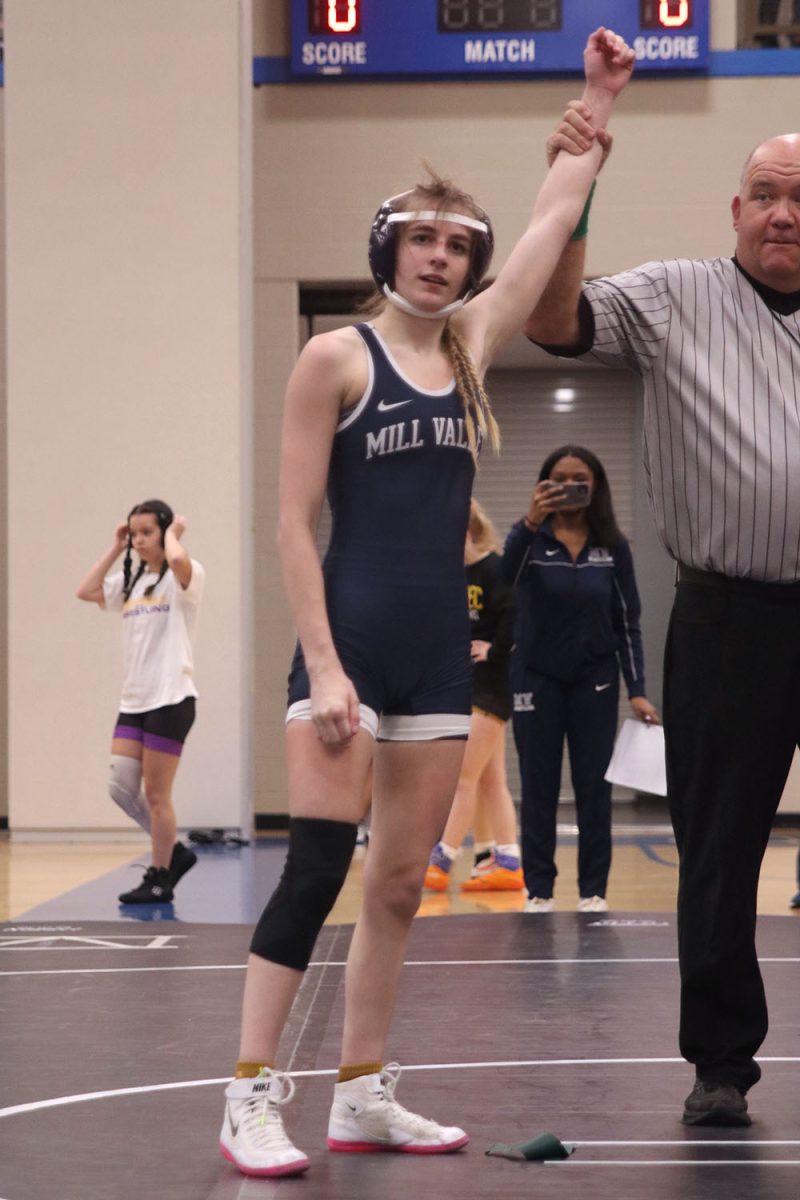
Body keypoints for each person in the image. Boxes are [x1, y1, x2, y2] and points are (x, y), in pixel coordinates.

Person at [218, 27, 634, 1179]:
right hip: (346, 647)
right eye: (422, 240)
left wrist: (594, 105)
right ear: (385, 249)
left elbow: (548, 224)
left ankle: (360, 1092)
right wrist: (325, 666)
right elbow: (294, 524)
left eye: (458, 246)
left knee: (401, 884)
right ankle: (249, 1092)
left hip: (437, 666)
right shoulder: (334, 360)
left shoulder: (466, 353)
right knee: (314, 871)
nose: (442, 259)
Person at [524, 106, 800, 1126]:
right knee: (718, 850)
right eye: (764, 195)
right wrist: (577, 187)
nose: (782, 214)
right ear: (733, 210)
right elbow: (553, 322)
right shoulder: (675, 296)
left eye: (798, 198)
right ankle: (720, 1063)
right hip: (726, 619)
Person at [503, 446, 657, 915]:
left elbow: (628, 618)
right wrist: (529, 523)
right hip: (536, 678)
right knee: (539, 787)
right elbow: (500, 582)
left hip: (595, 680)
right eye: (559, 478)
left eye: (579, 479)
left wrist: (637, 688)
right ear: (544, 484)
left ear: (595, 488)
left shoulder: (613, 547)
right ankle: (539, 891)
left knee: (594, 788)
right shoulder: (529, 540)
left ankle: (593, 891)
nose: (569, 486)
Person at [76, 501, 204, 904]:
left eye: (147, 532)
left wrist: (173, 535)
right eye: (135, 534)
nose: (139, 540)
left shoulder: (185, 577)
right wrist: (116, 547)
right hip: (134, 701)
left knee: (155, 795)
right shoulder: (130, 583)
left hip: (171, 699)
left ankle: (160, 875)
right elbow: (87, 590)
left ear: (164, 532)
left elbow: (179, 559)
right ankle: (176, 852)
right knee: (120, 786)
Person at [424, 498, 522, 894]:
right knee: (489, 780)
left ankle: (443, 858)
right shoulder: (454, 574)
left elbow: (518, 616)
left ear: (466, 532)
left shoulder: (497, 568)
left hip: (492, 684)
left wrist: (494, 650)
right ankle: (509, 862)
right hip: (467, 682)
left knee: (463, 776)